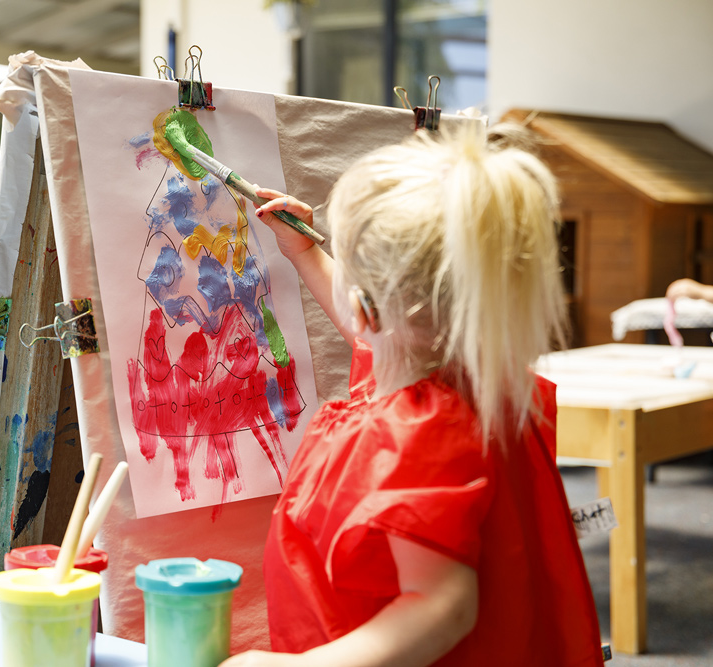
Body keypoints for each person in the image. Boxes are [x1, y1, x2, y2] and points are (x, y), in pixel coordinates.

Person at [220, 125, 604, 666]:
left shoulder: (423, 431)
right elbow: (379, 329)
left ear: (371, 308)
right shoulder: (463, 369)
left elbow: (443, 607)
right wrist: (305, 252)